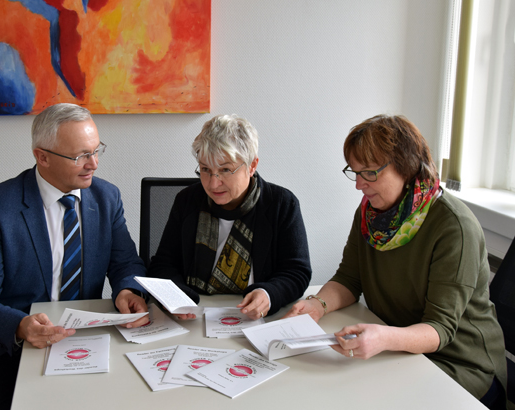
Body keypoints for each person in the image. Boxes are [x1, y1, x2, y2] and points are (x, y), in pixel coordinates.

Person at [284, 114, 508, 409]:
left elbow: (439, 329)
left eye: (369, 173)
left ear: (406, 165)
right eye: (355, 172)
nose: (358, 185)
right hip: (399, 349)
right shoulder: (370, 213)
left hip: (459, 365)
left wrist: (383, 337)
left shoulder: (454, 227)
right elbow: (350, 278)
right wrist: (318, 304)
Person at [0, 103, 149, 409]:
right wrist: (19, 325)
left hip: (81, 339)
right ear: (43, 157)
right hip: (4, 348)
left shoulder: (107, 198)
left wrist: (127, 289)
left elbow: (125, 263)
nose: (93, 164)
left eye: (96, 151)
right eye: (81, 155)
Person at [148, 114, 311, 320]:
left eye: (225, 170)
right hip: (193, 317)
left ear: (252, 165)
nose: (213, 183)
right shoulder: (186, 200)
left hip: (257, 318)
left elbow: (296, 271)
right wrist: (176, 297)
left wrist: (269, 294)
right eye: (205, 169)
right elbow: (163, 263)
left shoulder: (282, 204)